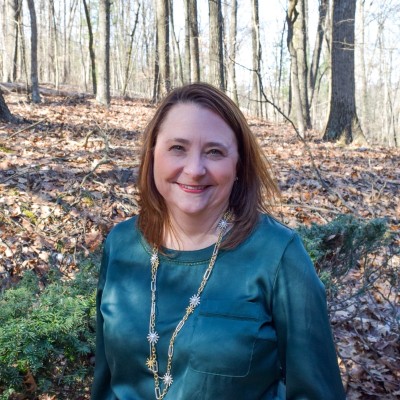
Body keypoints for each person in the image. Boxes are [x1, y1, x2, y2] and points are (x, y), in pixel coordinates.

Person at [91, 82, 345, 400]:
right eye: (177, 148)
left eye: (214, 152)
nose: (195, 169)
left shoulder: (277, 254)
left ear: (238, 164)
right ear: (152, 154)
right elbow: (105, 383)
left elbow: (318, 393)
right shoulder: (121, 244)